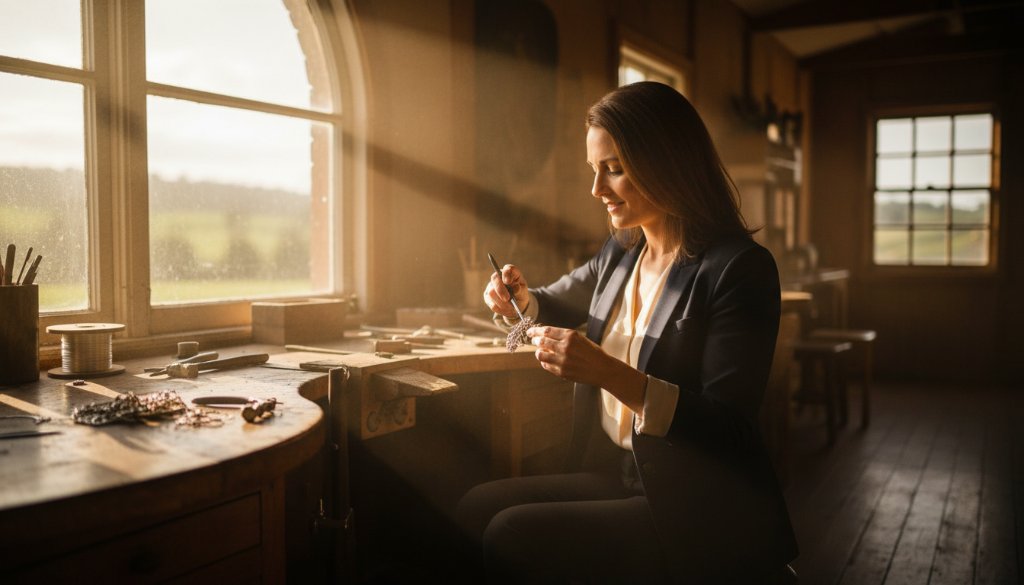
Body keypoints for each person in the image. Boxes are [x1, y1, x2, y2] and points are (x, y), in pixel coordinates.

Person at [456, 81, 798, 584]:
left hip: (691, 503)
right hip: (611, 473)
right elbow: (555, 298)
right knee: (473, 508)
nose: (597, 189)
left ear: (669, 162)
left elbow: (730, 428)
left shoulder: (739, 269)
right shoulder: (622, 250)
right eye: (594, 170)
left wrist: (611, 374)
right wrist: (518, 299)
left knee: (511, 533)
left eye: (613, 169)